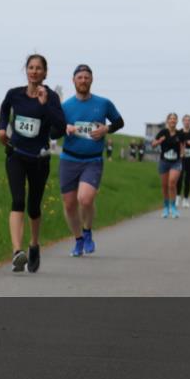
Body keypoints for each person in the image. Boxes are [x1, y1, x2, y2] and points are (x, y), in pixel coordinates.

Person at [0, 54, 66, 273]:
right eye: (31, 67)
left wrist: (45, 105)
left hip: (39, 159)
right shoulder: (14, 94)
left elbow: (60, 127)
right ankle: (17, 252)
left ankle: (34, 244)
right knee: (17, 200)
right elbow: (4, 107)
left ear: (45, 73)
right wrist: (2, 129)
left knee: (34, 206)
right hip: (16, 154)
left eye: (39, 68)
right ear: (26, 70)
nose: (34, 71)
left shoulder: (51, 97)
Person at [59, 64, 124, 257]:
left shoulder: (103, 103)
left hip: (93, 160)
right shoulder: (66, 106)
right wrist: (66, 127)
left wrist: (106, 129)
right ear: (73, 80)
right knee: (70, 204)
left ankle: (87, 232)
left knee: (85, 199)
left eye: (87, 77)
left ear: (92, 80)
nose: (83, 80)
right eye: (80, 77)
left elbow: (119, 122)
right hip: (69, 158)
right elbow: (54, 130)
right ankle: (78, 240)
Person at [151, 113, 184, 218]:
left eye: (174, 119)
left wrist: (182, 153)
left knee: (172, 182)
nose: (173, 120)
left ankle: (173, 207)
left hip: (176, 162)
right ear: (167, 121)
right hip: (164, 161)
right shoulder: (163, 132)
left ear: (177, 121)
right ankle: (166, 207)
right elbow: (153, 144)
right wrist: (159, 141)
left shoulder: (180, 134)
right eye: (171, 119)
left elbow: (182, 145)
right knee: (165, 186)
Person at [176, 114, 190, 208]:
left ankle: (185, 199)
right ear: (182, 122)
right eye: (185, 120)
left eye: (189, 120)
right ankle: (177, 197)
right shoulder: (179, 132)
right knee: (180, 177)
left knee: (188, 180)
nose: (187, 122)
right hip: (181, 158)